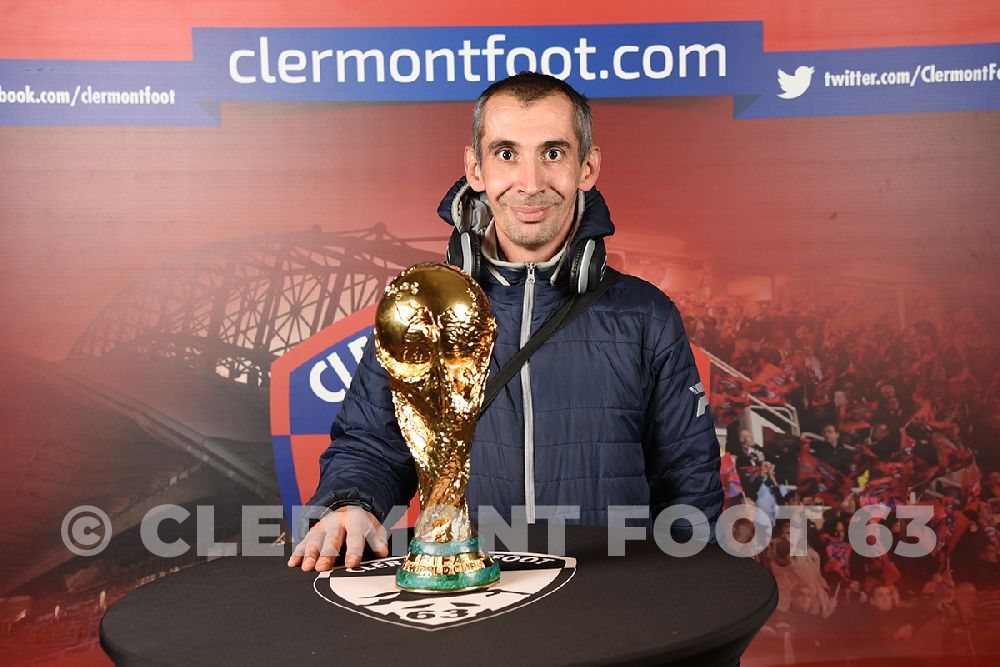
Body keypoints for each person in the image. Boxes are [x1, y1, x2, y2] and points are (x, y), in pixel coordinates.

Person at [288, 72, 724, 573]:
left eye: (553, 153)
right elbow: (371, 444)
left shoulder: (646, 315)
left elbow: (689, 481)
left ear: (587, 167)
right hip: (472, 600)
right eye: (507, 153)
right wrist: (351, 503)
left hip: (610, 599)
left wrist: (690, 595)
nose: (531, 183)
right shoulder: (423, 308)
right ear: (476, 168)